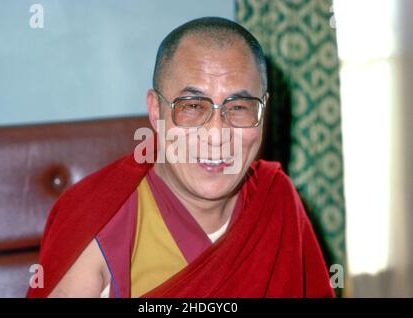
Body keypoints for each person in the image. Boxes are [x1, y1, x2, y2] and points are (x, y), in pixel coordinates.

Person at [26, 17, 334, 298]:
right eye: (192, 107)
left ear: (263, 110)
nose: (216, 135)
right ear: (156, 110)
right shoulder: (96, 217)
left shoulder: (275, 200)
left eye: (239, 108)